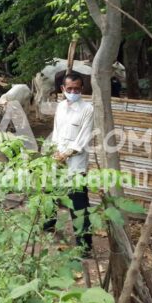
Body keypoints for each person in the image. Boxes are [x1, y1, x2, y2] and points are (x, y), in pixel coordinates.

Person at [46, 72, 94, 256]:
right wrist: (54, 153)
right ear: (63, 89)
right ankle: (48, 228)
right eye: (70, 88)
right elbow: (56, 132)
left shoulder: (87, 109)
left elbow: (82, 140)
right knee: (49, 194)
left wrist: (64, 155)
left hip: (75, 163)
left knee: (79, 203)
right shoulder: (60, 107)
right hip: (56, 159)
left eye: (76, 88)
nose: (73, 91)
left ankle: (84, 246)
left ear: (82, 89)